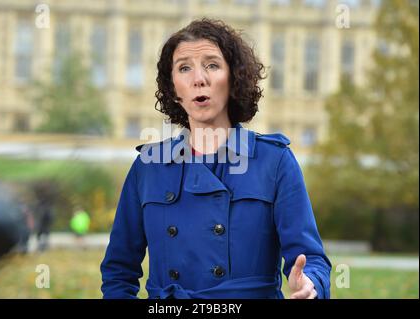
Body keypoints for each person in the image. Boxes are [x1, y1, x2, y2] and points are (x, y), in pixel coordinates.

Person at [101, 18, 331, 299]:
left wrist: (311, 285)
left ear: (233, 78)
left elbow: (311, 259)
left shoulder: (274, 161)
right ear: (174, 89)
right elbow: (118, 271)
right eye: (184, 68)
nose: (199, 78)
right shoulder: (148, 167)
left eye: (212, 65)